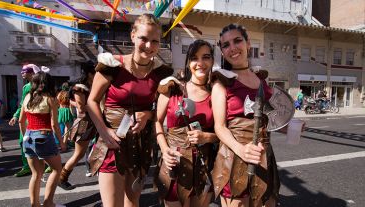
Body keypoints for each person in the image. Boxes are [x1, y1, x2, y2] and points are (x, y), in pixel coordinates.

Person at [87, 14, 173, 207]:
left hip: (140, 146)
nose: (149, 46)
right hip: (112, 144)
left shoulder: (162, 73)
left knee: (133, 202)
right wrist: (104, 131)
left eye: (155, 41)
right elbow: (91, 101)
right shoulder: (112, 65)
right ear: (133, 36)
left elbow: (160, 111)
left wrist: (148, 115)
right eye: (143, 38)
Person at [211, 24, 280, 207]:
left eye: (237, 40)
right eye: (226, 45)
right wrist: (241, 150)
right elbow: (219, 127)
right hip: (234, 159)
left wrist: (289, 125)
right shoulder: (221, 83)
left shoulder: (262, 80)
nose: (232, 48)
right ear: (222, 51)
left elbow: (272, 117)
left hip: (264, 157)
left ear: (248, 43)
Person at [154, 40, 218, 207]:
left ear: (212, 61)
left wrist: (207, 136)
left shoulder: (216, 93)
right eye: (194, 58)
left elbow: (223, 131)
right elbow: (157, 122)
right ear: (188, 62)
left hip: (204, 166)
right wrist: (164, 149)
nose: (200, 63)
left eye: (206, 57)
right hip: (175, 163)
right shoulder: (172, 88)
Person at [19, 69, 66, 207]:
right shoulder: (50, 99)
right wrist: (62, 142)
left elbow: (21, 121)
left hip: (28, 136)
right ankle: (48, 203)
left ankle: (35, 204)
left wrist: (25, 136)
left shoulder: (28, 96)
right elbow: (54, 124)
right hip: (44, 135)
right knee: (57, 169)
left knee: (36, 174)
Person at [58, 61, 97, 190]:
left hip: (91, 122)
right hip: (83, 123)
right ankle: (62, 178)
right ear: (90, 74)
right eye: (95, 72)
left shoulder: (89, 85)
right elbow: (81, 109)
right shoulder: (79, 87)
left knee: (86, 152)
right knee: (78, 154)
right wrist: (95, 105)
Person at [9, 64, 36, 177]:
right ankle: (27, 166)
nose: (22, 73)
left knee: (37, 142)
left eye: (24, 71)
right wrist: (15, 116)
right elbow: (22, 105)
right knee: (22, 142)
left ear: (31, 72)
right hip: (25, 119)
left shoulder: (38, 85)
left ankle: (43, 164)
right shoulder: (25, 87)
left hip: (36, 118)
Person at [56, 82, 74, 149]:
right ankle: (64, 143)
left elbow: (57, 102)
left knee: (62, 127)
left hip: (60, 110)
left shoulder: (60, 93)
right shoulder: (68, 94)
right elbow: (70, 105)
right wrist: (73, 114)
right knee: (67, 128)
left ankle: (64, 142)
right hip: (66, 110)